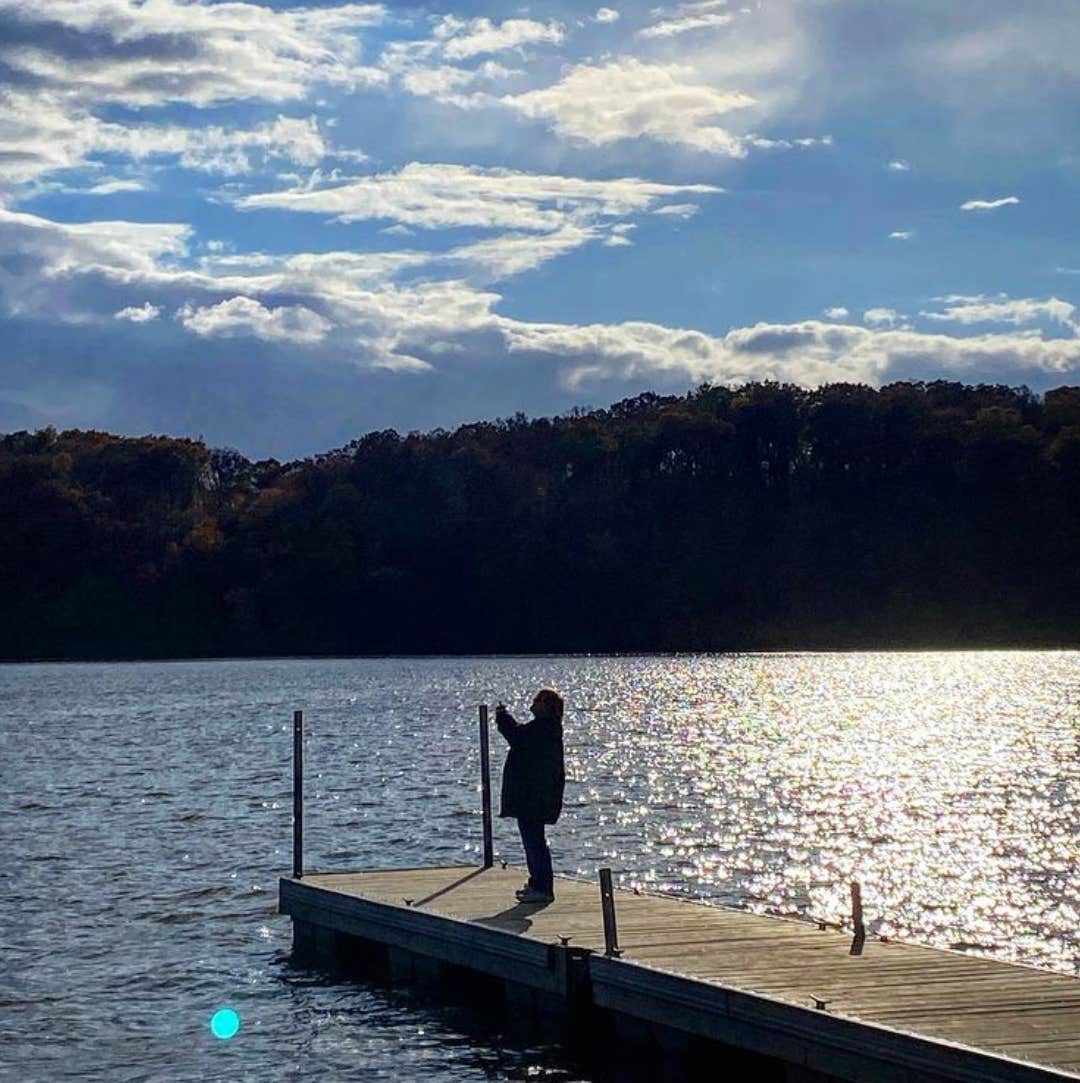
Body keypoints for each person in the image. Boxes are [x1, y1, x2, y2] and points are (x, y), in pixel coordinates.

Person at [495, 689, 565, 904]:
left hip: (534, 797)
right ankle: (537, 883)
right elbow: (520, 736)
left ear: (547, 705)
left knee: (534, 842)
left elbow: (516, 736)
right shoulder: (546, 728)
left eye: (536, 701)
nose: (532, 705)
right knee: (533, 841)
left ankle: (542, 887)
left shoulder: (544, 728)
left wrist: (503, 717)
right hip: (535, 795)